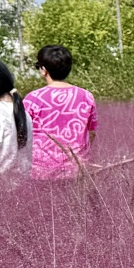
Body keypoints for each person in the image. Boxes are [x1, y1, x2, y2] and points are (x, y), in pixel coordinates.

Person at [27, 44, 97, 180]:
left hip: (40, 173)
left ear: (44, 70)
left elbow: (22, 135)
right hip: (76, 172)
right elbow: (92, 133)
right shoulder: (86, 96)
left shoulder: (33, 99)